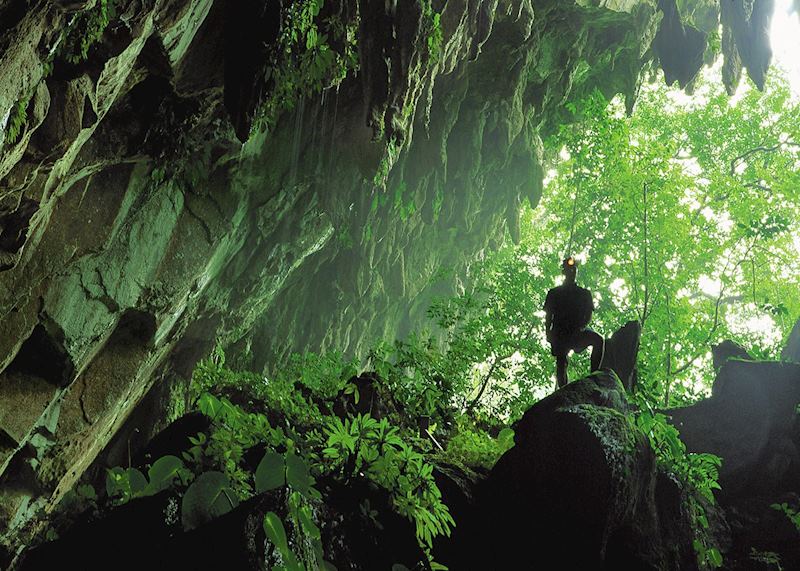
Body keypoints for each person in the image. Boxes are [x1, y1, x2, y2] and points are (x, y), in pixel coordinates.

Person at [544, 257, 604, 389]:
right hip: (560, 335)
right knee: (561, 362)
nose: (571, 272)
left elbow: (589, 314)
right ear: (564, 272)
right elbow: (548, 316)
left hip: (577, 333)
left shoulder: (583, 294)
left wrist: (581, 327)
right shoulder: (554, 293)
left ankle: (593, 377)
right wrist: (548, 333)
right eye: (569, 269)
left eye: (573, 269)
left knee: (598, 340)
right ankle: (563, 390)